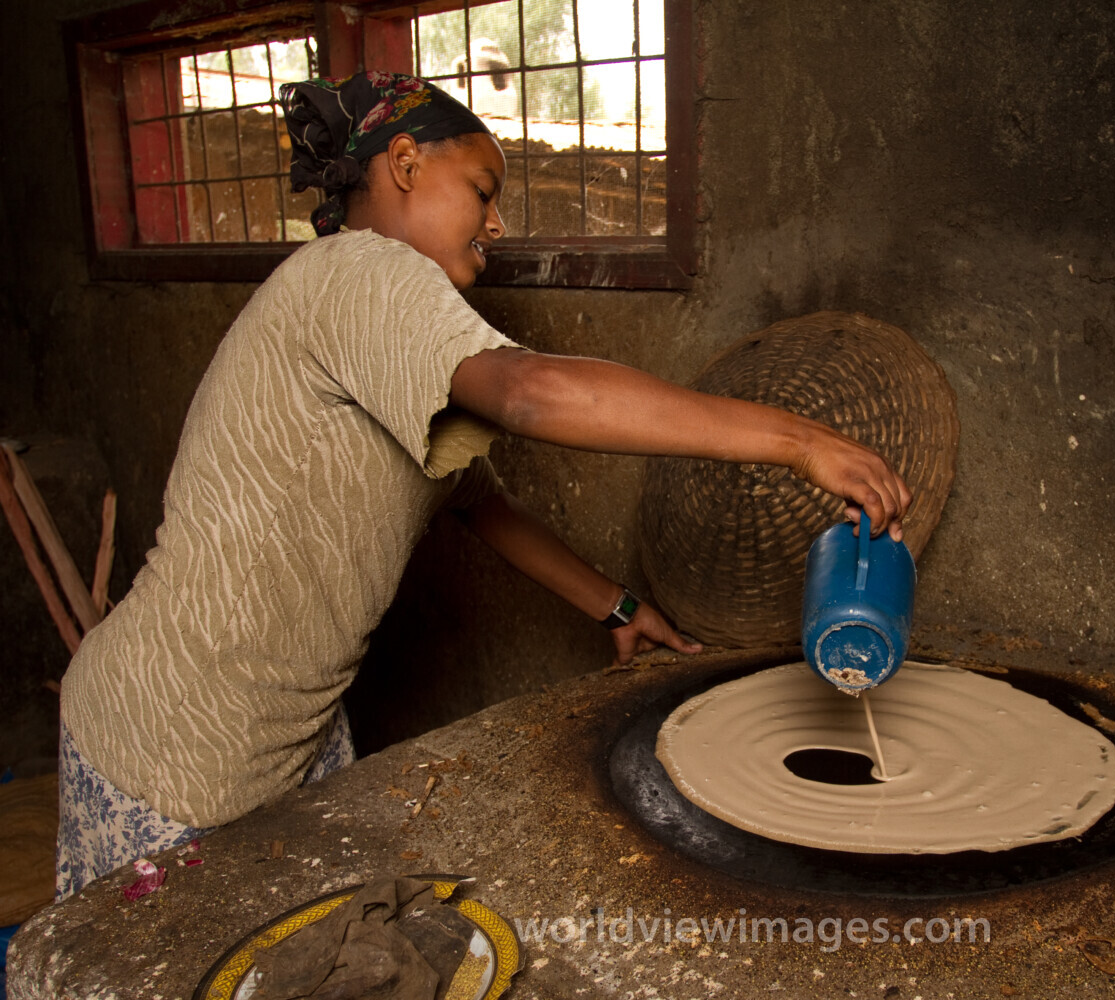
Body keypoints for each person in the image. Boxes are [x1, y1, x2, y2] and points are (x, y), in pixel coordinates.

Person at [54, 72, 911, 897]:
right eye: (482, 188)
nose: (496, 223)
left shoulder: (394, 343)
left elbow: (478, 504)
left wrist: (615, 607)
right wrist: (796, 442)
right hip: (167, 739)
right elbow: (533, 390)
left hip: (287, 742)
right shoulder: (353, 273)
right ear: (403, 165)